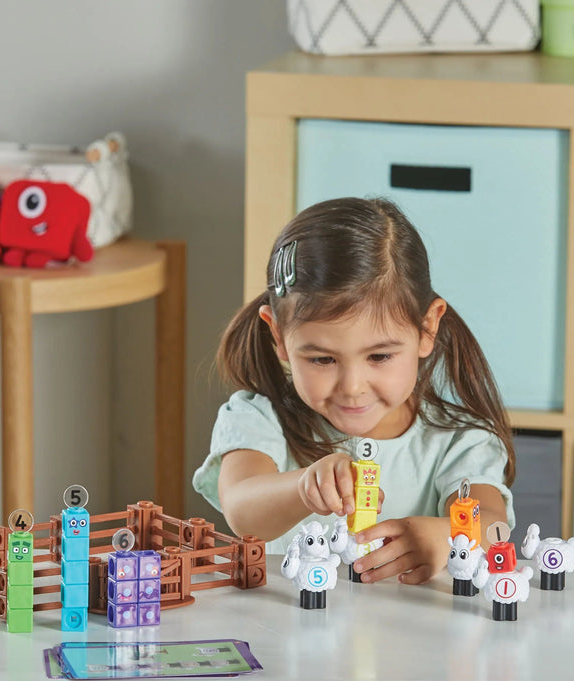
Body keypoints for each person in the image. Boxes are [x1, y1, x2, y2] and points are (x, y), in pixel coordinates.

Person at [193, 197, 515, 584]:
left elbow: (495, 525)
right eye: (322, 360)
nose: (352, 387)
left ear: (427, 327)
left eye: (379, 356)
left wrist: (450, 535)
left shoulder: (458, 441)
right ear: (278, 336)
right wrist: (303, 486)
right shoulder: (257, 419)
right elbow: (243, 510)